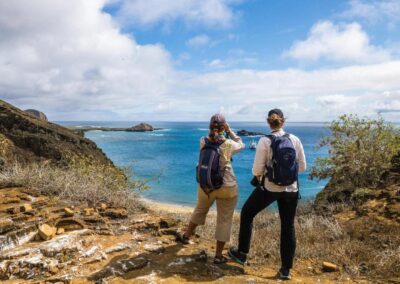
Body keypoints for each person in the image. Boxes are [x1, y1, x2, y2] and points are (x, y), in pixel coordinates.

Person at [228, 109, 306, 280]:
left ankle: (242, 253)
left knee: (248, 213)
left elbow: (257, 170)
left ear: (268, 122)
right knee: (288, 226)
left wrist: (264, 176)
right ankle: (286, 270)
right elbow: (302, 167)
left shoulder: (265, 141)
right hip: (292, 189)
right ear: (283, 121)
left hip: (270, 188)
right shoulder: (295, 139)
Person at [177, 113, 245, 264]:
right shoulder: (228, 144)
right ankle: (218, 256)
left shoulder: (203, 140)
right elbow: (241, 144)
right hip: (227, 186)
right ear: (223, 127)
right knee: (224, 219)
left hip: (206, 185)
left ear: (209, 126)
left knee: (200, 208)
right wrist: (230, 131)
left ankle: (187, 235)